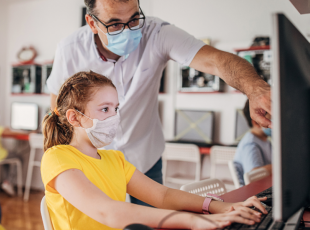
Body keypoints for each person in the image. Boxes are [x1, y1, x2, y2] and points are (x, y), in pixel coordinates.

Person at [46, 0, 272, 206]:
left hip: (145, 156)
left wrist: (256, 89)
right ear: (92, 23)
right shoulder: (70, 49)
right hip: (93, 159)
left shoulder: (156, 33)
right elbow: (58, 107)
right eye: (114, 24)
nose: (128, 30)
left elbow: (216, 60)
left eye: (134, 19)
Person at [41, 71, 268, 230]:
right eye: (104, 109)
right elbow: (107, 212)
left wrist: (223, 207)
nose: (114, 116)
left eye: (116, 108)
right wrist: (191, 220)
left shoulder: (114, 159)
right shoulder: (57, 158)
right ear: (75, 117)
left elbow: (162, 195)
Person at [233, 100, 272, 186]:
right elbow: (254, 175)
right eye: (271, 120)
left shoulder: (266, 141)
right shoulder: (250, 144)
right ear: (256, 123)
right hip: (252, 195)